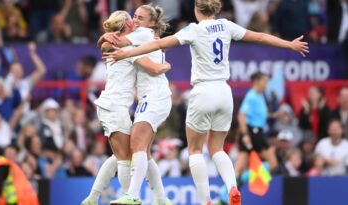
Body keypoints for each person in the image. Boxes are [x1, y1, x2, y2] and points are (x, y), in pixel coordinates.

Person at [103, 0, 308, 204]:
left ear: (196, 9)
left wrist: (126, 53)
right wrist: (289, 44)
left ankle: (206, 200)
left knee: (195, 150)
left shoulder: (194, 29)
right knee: (217, 148)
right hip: (224, 92)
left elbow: (158, 43)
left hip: (203, 91)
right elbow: (260, 36)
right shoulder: (227, 25)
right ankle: (232, 187)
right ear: (215, 9)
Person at [81, 9, 171, 205]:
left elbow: (104, 44)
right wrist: (166, 66)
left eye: (139, 18)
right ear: (125, 25)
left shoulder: (117, 44)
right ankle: (130, 196)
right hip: (114, 106)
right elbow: (153, 67)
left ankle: (93, 198)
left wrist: (104, 37)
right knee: (125, 158)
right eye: (132, 19)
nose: (135, 22)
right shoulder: (127, 51)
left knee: (132, 153)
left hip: (113, 106)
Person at [236, 72, 278, 176]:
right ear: (256, 82)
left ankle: (234, 185)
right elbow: (241, 115)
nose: (266, 84)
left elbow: (257, 114)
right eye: (264, 81)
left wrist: (273, 115)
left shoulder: (260, 95)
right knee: (273, 163)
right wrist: (245, 135)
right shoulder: (252, 96)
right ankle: (244, 178)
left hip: (254, 132)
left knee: (239, 167)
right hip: (252, 133)